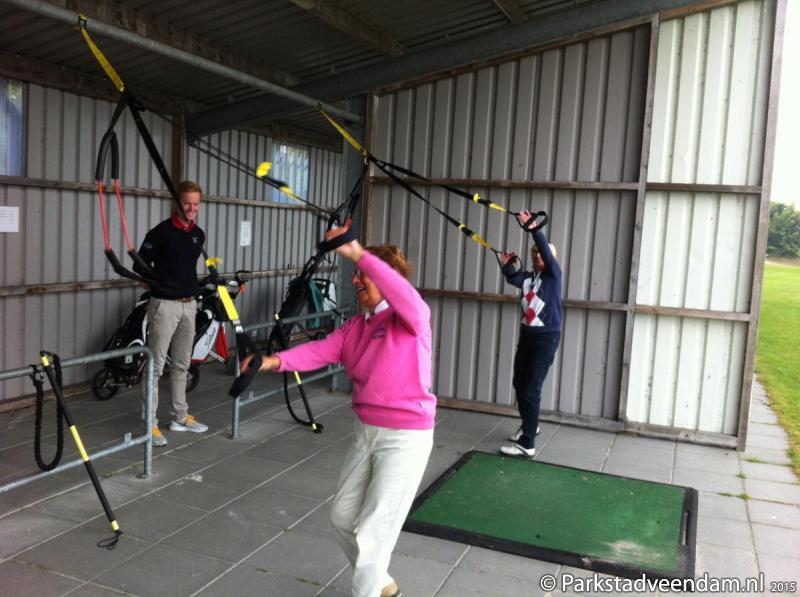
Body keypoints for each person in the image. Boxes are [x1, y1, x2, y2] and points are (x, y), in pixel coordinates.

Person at [241, 225, 434, 597]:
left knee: (373, 533)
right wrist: (270, 361)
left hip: (405, 439)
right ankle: (380, 582)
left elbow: (404, 295)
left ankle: (368, 589)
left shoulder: (410, 318)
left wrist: (359, 254)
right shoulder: (357, 326)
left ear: (386, 276)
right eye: (356, 273)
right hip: (366, 431)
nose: (355, 279)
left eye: (363, 274)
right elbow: (319, 351)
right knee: (343, 517)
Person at [134, 180, 209, 447]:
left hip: (189, 304)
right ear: (177, 203)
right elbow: (140, 264)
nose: (191, 208)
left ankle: (179, 416)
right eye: (187, 203)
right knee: (155, 366)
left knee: (181, 364)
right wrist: (156, 282)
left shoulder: (198, 234)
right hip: (164, 305)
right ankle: (149, 425)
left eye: (196, 204)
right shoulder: (160, 232)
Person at [499, 209, 562, 458]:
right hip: (527, 336)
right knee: (519, 384)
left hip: (546, 338)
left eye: (541, 253)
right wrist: (508, 266)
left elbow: (545, 249)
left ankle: (527, 444)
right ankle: (530, 426)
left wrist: (534, 229)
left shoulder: (554, 276)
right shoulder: (529, 279)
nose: (537, 255)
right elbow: (513, 278)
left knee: (531, 389)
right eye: (534, 253)